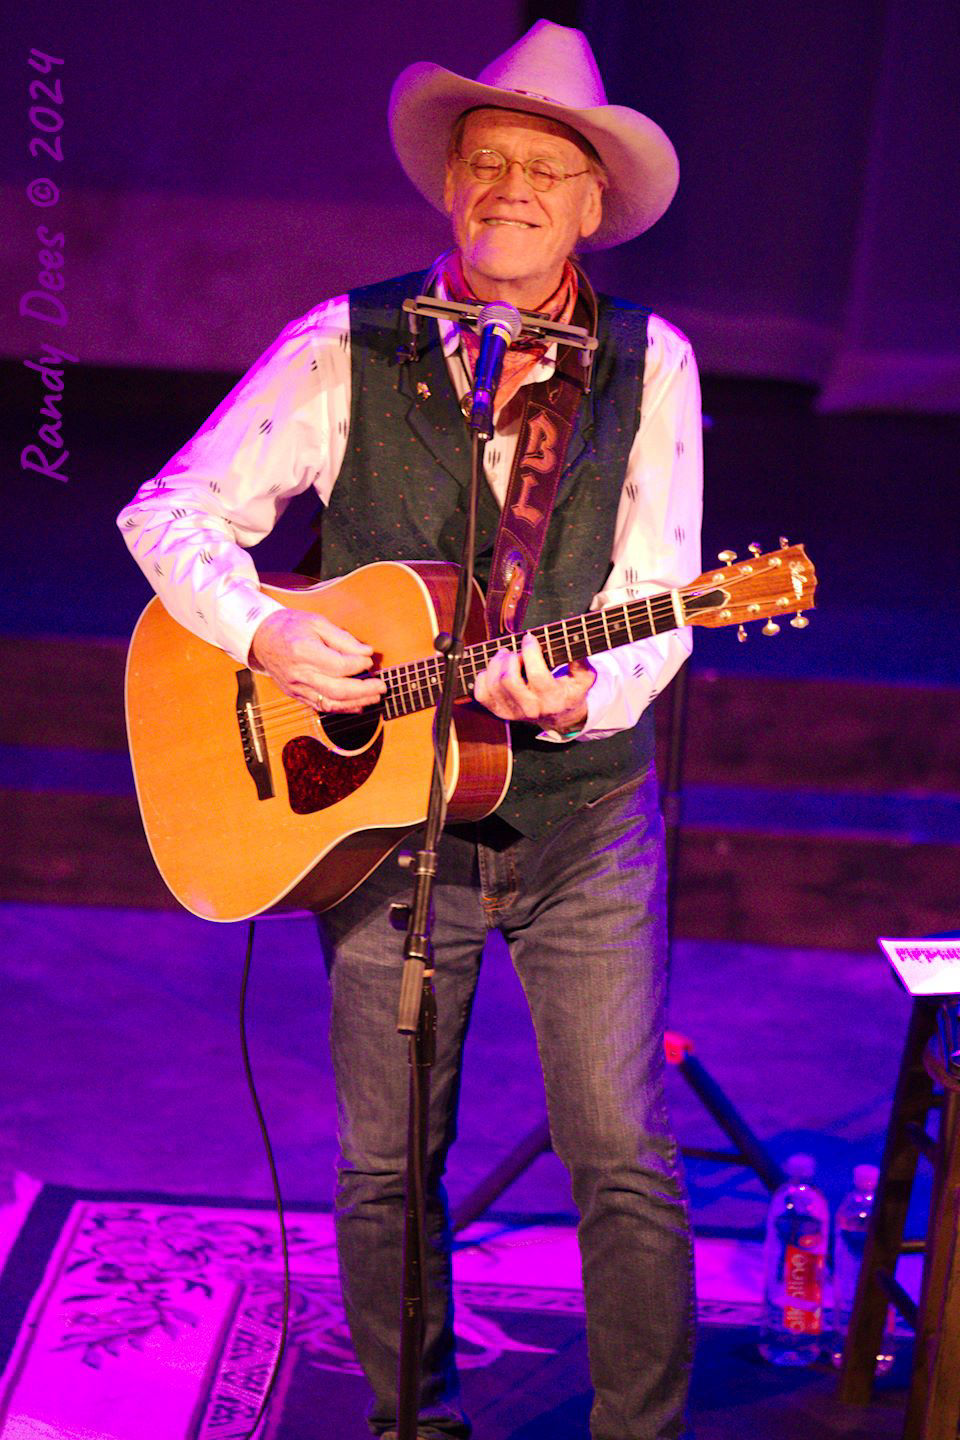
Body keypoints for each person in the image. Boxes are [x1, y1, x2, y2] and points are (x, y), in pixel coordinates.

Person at [118, 20, 702, 1440]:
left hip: (580, 824)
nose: (509, 188)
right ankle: (408, 1425)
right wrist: (265, 629)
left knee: (620, 1152)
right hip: (385, 831)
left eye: (543, 171)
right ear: (451, 185)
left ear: (589, 206)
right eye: (485, 161)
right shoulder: (346, 341)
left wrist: (582, 689)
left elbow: (663, 598)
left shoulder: (650, 365)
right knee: (384, 1161)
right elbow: (169, 509)